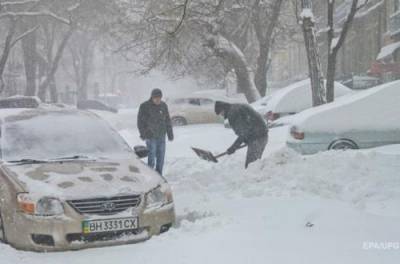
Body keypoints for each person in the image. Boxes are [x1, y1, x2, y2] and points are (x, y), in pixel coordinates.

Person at [214, 101, 268, 168]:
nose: (221, 115)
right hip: (260, 134)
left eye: (220, 113)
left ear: (223, 109)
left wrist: (233, 147)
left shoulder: (233, 113)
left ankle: (257, 177)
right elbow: (247, 126)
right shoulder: (236, 107)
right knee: (253, 164)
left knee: (251, 165)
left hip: (258, 137)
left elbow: (243, 133)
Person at [137, 89, 174, 175]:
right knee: (151, 157)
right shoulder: (144, 106)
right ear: (152, 97)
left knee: (161, 157)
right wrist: (144, 134)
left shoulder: (163, 105)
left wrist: (170, 133)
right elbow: (140, 122)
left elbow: (167, 120)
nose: (157, 100)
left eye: (159, 98)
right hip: (150, 136)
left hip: (161, 135)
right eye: (156, 98)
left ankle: (159, 174)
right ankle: (151, 175)